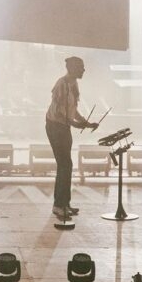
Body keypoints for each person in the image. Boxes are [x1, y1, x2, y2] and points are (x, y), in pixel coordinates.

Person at [45, 56, 99, 221]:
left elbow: (72, 110)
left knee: (66, 165)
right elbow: (58, 112)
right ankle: (58, 205)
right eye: (81, 67)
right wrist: (76, 124)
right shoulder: (61, 84)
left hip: (64, 127)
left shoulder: (73, 84)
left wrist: (85, 123)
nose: (83, 70)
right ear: (72, 68)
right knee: (64, 164)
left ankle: (64, 204)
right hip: (55, 127)